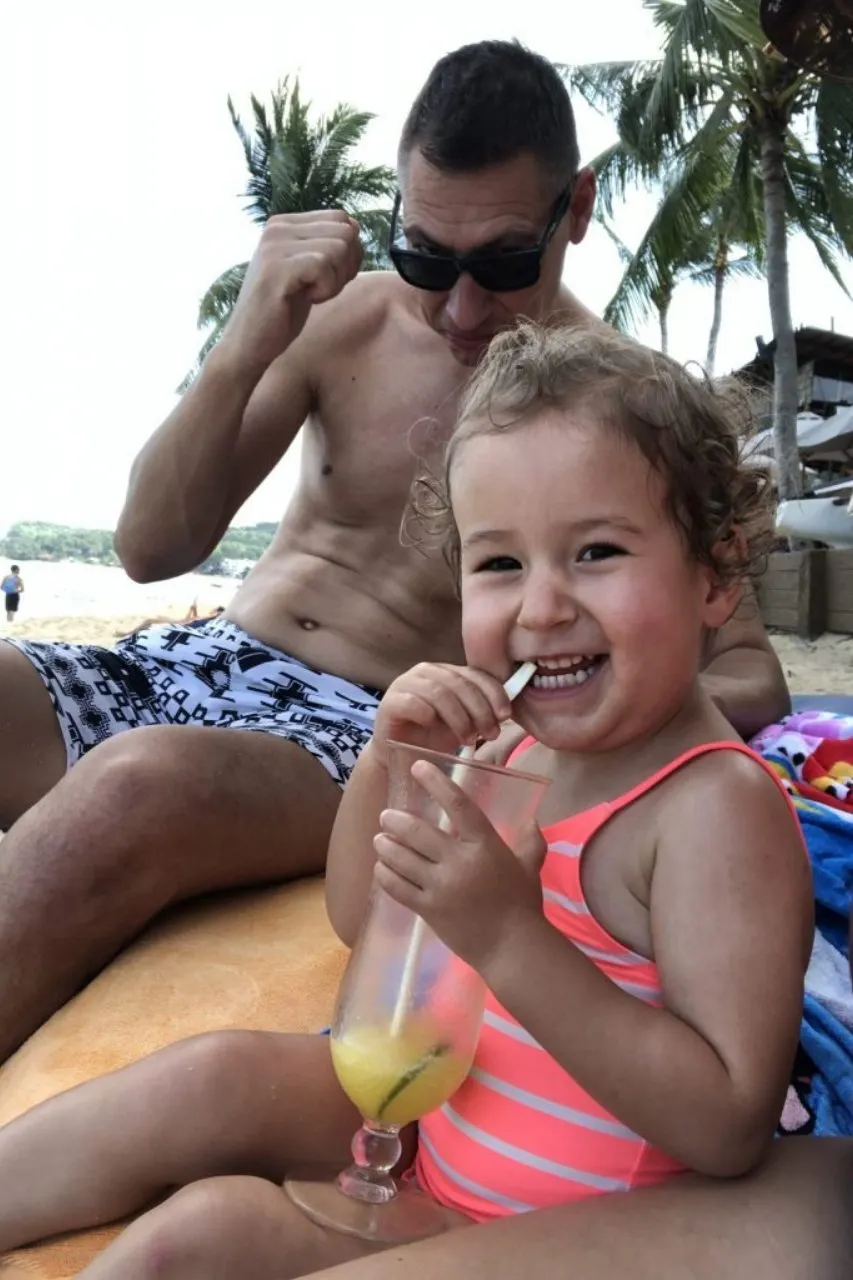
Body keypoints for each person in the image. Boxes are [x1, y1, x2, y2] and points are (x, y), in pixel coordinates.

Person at [0, 40, 789, 1064]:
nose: (459, 309)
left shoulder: (617, 412)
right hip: (198, 653)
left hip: (354, 728)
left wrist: (528, 722)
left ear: (578, 208)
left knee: (138, 784)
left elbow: (748, 668)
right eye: (425, 257)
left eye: (504, 263)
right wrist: (249, 334)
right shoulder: (345, 321)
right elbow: (150, 547)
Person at [0, 325, 814, 1277]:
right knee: (203, 1153)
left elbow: (723, 1123)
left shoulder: (713, 808)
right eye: (500, 563)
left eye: (595, 551)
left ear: (715, 574)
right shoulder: (511, 745)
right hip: (442, 1129)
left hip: (574, 1226)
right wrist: (391, 763)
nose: (540, 607)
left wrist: (507, 937)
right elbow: (364, 917)